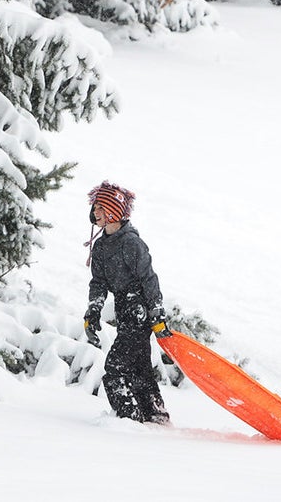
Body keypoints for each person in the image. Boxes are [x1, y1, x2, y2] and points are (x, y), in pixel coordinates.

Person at [83, 181, 171, 425]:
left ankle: (129, 422)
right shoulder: (100, 247)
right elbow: (99, 282)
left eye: (101, 207)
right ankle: (156, 419)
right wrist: (93, 310)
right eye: (95, 207)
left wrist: (157, 314)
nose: (95, 212)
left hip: (139, 309)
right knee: (139, 368)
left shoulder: (131, 243)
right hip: (124, 309)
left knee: (115, 369)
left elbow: (149, 279)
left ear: (113, 211)